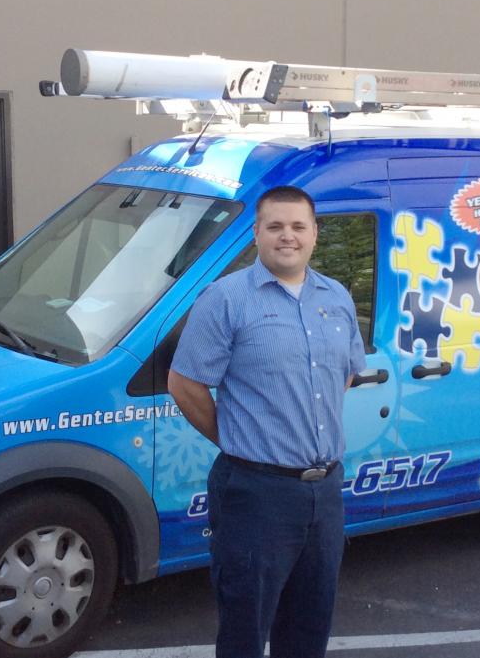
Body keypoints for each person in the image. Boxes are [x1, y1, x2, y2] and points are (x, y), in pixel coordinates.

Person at [168, 185, 366, 658]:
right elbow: (184, 384)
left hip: (325, 492)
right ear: (256, 234)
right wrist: (238, 440)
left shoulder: (336, 296)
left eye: (298, 226)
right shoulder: (226, 299)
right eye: (275, 226)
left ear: (315, 233)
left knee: (310, 623)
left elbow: (346, 374)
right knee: (245, 626)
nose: (287, 237)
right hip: (255, 494)